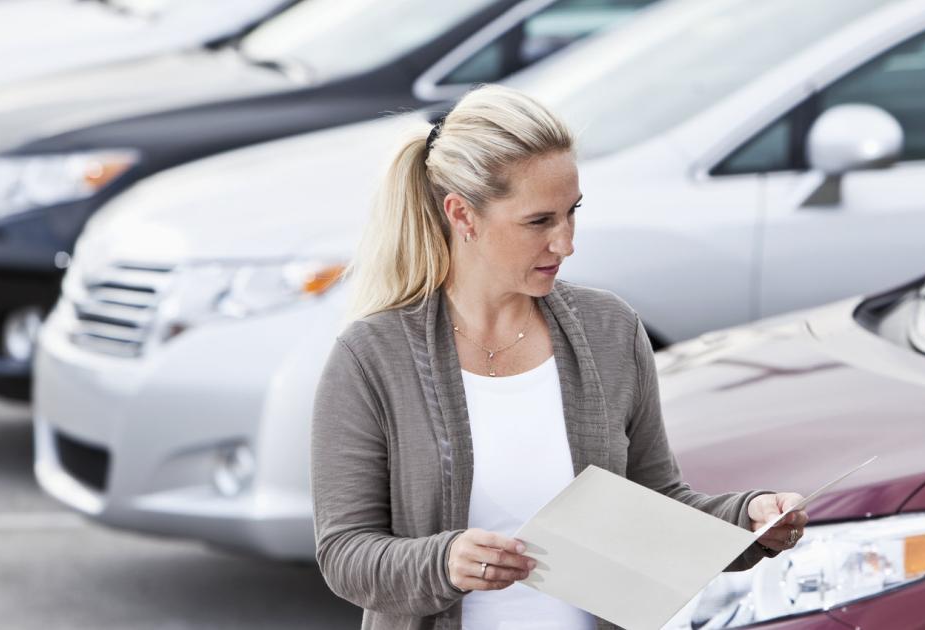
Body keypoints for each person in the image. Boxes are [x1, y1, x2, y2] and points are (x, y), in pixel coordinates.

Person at [310, 84, 809, 630]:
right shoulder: (371, 356)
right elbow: (346, 553)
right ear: (463, 215)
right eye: (539, 221)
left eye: (572, 212)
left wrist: (747, 520)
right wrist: (443, 560)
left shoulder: (609, 329)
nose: (566, 242)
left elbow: (655, 504)